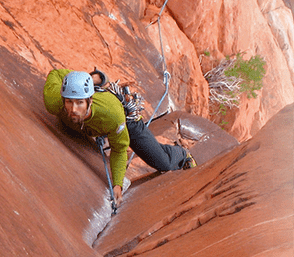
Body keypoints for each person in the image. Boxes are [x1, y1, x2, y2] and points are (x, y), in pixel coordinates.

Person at [43, 68, 195, 207]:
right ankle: (98, 78)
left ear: (90, 99)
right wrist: (85, 79)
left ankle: (182, 155)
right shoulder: (54, 101)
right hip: (96, 121)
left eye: (79, 103)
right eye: (69, 102)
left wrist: (117, 184)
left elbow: (119, 149)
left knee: (163, 163)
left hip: (127, 121)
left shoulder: (112, 115)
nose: (73, 109)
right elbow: (56, 73)